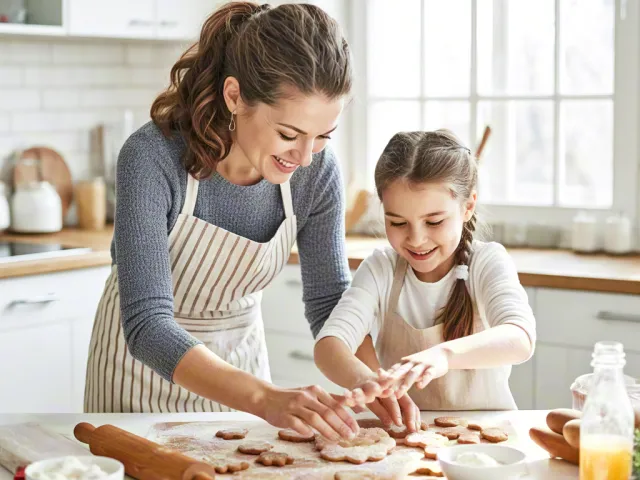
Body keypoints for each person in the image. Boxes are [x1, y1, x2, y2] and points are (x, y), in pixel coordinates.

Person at [84, 1, 359, 441]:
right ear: (235, 96)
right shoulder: (153, 158)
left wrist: (369, 381)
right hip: (135, 389)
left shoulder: (316, 174)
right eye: (288, 134)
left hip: (245, 381)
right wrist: (265, 398)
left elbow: (330, 305)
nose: (305, 156)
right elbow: (147, 326)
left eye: (323, 136)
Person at [314, 130, 537, 431]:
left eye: (434, 222)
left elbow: (519, 339)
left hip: (487, 437)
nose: (416, 239)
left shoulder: (486, 263)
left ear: (468, 206)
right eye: (397, 222)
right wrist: (367, 380)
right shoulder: (381, 269)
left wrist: (443, 355)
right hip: (406, 437)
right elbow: (329, 345)